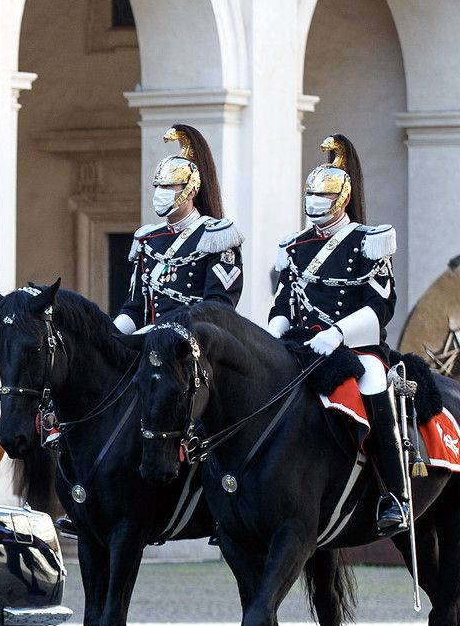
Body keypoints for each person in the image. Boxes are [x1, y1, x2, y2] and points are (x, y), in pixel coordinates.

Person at [268, 133, 407, 536]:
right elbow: (282, 305)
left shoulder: (369, 241)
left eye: (324, 195)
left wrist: (339, 333)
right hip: (301, 345)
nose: (315, 201)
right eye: (311, 194)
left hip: (355, 346)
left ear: (342, 198)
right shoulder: (293, 247)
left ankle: (394, 494)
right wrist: (272, 334)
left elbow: (380, 307)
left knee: (374, 380)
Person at [115, 125, 243, 333]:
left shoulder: (216, 236)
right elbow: (135, 308)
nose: (160, 192)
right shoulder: (148, 239)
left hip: (195, 342)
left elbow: (219, 308)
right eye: (158, 186)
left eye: (168, 186)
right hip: (150, 340)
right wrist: (111, 334)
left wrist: (160, 331)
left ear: (191, 191)